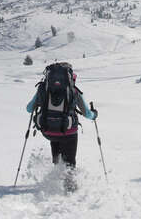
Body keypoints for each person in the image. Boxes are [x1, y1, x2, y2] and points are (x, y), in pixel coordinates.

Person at [26, 63, 97, 191]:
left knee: (57, 158)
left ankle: (54, 182)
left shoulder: (43, 89)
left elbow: (29, 108)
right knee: (69, 162)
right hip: (69, 132)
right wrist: (94, 115)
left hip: (49, 131)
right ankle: (70, 189)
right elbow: (87, 113)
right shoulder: (73, 91)